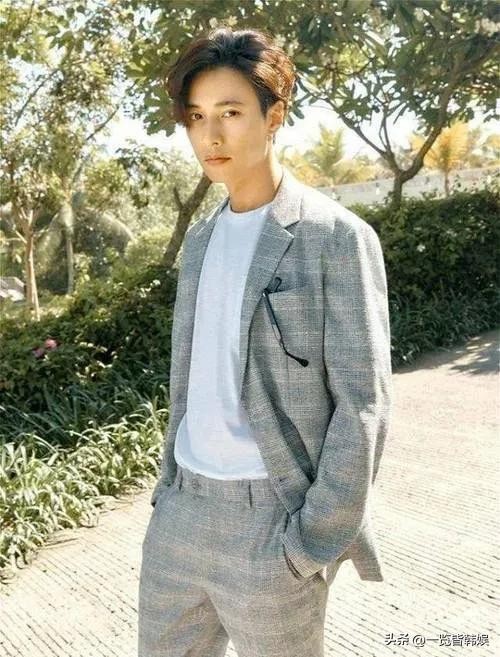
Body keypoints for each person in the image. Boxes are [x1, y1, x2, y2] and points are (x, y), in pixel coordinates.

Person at [138, 25, 393, 657]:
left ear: (274, 116)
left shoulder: (336, 238)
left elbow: (363, 403)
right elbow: (189, 375)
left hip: (271, 523)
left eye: (230, 113)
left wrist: (309, 543)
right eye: (197, 116)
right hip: (179, 516)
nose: (211, 135)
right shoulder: (200, 241)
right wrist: (167, 491)